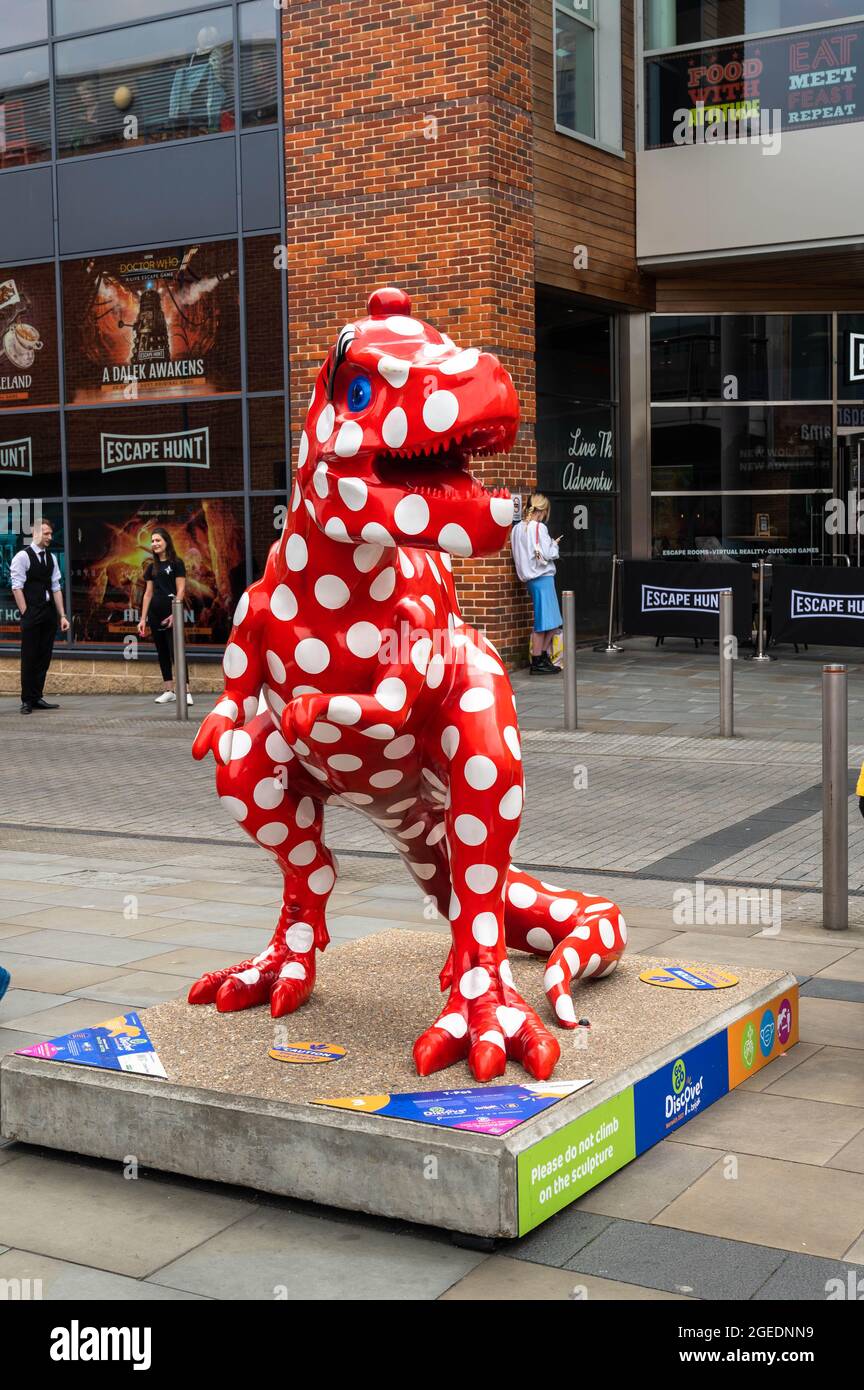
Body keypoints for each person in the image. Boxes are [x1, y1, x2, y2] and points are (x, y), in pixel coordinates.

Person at [11, 516, 69, 714]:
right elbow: (17, 587)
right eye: (46, 533)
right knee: (29, 657)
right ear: (35, 533)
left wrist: (62, 615)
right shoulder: (22, 557)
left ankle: (37, 697)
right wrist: (25, 612)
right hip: (31, 613)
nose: (50, 537)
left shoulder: (51, 558)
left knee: (44, 656)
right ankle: (26, 700)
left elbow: (56, 588)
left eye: (51, 534)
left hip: (48, 613)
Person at [137, 527, 193, 705]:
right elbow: (147, 594)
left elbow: (181, 589)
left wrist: (174, 613)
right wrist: (143, 619)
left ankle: (185, 691)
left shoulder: (177, 563)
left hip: (172, 614)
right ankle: (169, 690)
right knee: (162, 651)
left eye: (158, 540)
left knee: (176, 652)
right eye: (152, 541)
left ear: (166, 541)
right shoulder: (151, 568)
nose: (154, 544)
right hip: (154, 613)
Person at [510, 494, 564, 675]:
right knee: (548, 623)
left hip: (531, 579)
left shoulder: (517, 529)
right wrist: (554, 545)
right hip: (543, 578)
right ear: (543, 511)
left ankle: (541, 658)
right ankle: (538, 659)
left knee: (550, 622)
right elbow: (547, 554)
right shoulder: (539, 528)